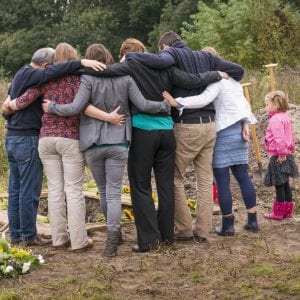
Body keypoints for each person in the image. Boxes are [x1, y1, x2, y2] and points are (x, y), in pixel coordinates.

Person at [84, 38, 227, 252]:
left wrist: (80, 64)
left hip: (143, 132)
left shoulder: (130, 65)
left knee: (140, 186)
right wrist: (216, 74)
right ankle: (167, 237)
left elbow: (104, 72)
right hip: (167, 132)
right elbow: (192, 80)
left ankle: (150, 241)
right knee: (165, 185)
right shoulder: (167, 66)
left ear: (128, 54)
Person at [42, 43, 173, 257]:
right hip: (119, 141)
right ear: (109, 57)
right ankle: (113, 237)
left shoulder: (87, 79)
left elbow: (75, 108)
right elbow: (143, 104)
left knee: (103, 191)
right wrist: (164, 106)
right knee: (114, 191)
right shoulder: (125, 79)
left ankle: (115, 235)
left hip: (93, 143)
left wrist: (52, 107)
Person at [126, 31, 244, 242]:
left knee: (174, 179)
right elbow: (238, 70)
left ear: (164, 46)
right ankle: (203, 231)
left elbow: (157, 60)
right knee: (205, 180)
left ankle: (185, 230)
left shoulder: (171, 54)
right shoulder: (207, 57)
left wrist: (133, 56)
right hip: (209, 126)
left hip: (186, 125)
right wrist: (217, 73)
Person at [7, 43, 111, 251]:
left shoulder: (45, 79)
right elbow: (86, 106)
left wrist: (9, 105)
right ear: (73, 58)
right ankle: (79, 241)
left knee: (54, 190)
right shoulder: (80, 79)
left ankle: (58, 239)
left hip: (46, 140)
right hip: (70, 138)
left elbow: (22, 102)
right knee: (73, 190)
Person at [163, 66, 259, 236]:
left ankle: (228, 225)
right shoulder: (235, 82)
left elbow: (203, 99)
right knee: (243, 177)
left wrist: (177, 102)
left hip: (223, 133)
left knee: (222, 181)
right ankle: (253, 221)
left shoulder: (217, 81)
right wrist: (245, 122)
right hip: (239, 131)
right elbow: (244, 104)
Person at [263, 91, 298, 220]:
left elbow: (279, 138)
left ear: (276, 104)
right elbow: (291, 134)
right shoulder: (285, 116)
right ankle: (287, 212)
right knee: (285, 183)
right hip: (287, 154)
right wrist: (291, 148)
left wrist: (281, 155)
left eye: (267, 104)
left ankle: (278, 213)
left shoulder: (275, 120)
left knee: (279, 184)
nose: (266, 107)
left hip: (279, 156)